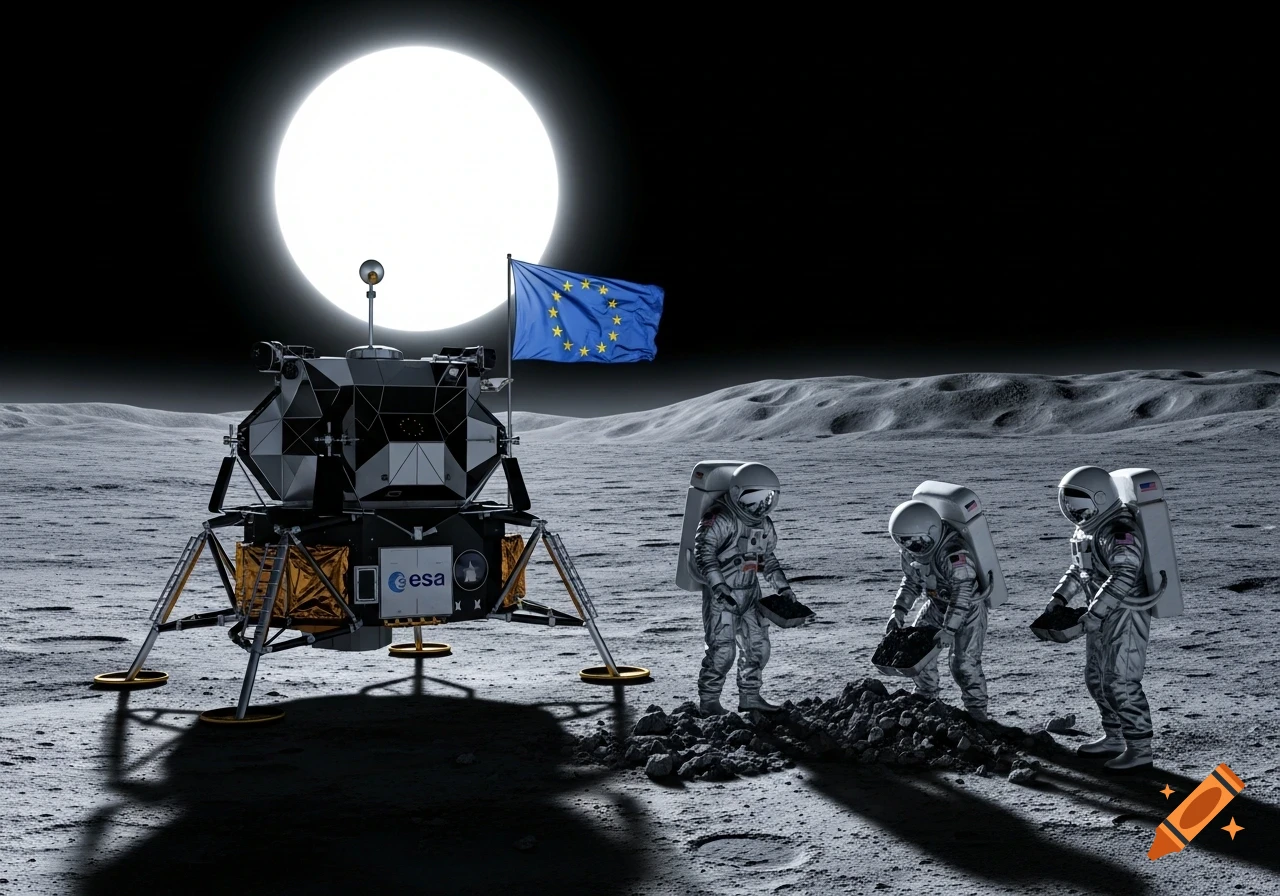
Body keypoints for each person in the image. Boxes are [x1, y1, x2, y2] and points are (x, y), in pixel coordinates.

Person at [1046, 465, 1154, 773]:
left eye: (1078, 505)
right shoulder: (1089, 528)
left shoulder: (1119, 531)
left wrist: (1094, 613)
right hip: (1099, 613)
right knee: (1096, 677)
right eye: (1069, 505)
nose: (1073, 511)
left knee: (1120, 681)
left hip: (1126, 613)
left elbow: (1124, 576)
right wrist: (1060, 597)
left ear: (1100, 498)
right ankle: (1114, 736)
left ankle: (1140, 749)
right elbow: (1080, 570)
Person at [692, 462, 800, 715]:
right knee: (722, 652)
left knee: (758, 647)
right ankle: (709, 702)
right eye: (755, 499)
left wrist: (783, 589)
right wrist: (719, 586)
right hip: (723, 596)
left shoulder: (764, 524)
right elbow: (704, 553)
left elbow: (767, 559)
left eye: (767, 499)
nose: (760, 506)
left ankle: (750, 697)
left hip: (751, 594)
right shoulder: (720, 518)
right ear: (737, 493)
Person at [885, 499, 989, 722]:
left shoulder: (955, 554)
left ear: (930, 533)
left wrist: (949, 630)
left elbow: (962, 593)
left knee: (963, 664)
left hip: (968, 610)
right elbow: (911, 581)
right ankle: (925, 697)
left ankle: (977, 714)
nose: (910, 547)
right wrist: (898, 611)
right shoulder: (912, 551)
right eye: (904, 541)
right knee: (917, 652)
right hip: (938, 605)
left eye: (914, 542)